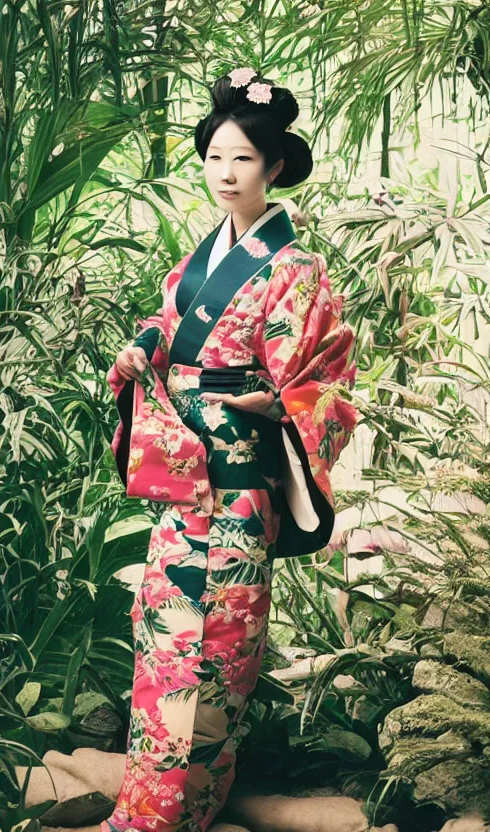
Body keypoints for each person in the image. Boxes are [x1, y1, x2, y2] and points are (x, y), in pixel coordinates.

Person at [101, 68, 359, 832]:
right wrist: (140, 346)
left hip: (240, 485)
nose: (225, 172)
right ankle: (150, 809)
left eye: (242, 158)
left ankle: (188, 810)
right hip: (186, 484)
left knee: (219, 647)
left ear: (274, 167)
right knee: (164, 639)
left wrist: (278, 403)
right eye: (215, 156)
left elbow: (328, 381)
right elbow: (169, 315)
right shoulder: (204, 255)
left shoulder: (296, 267)